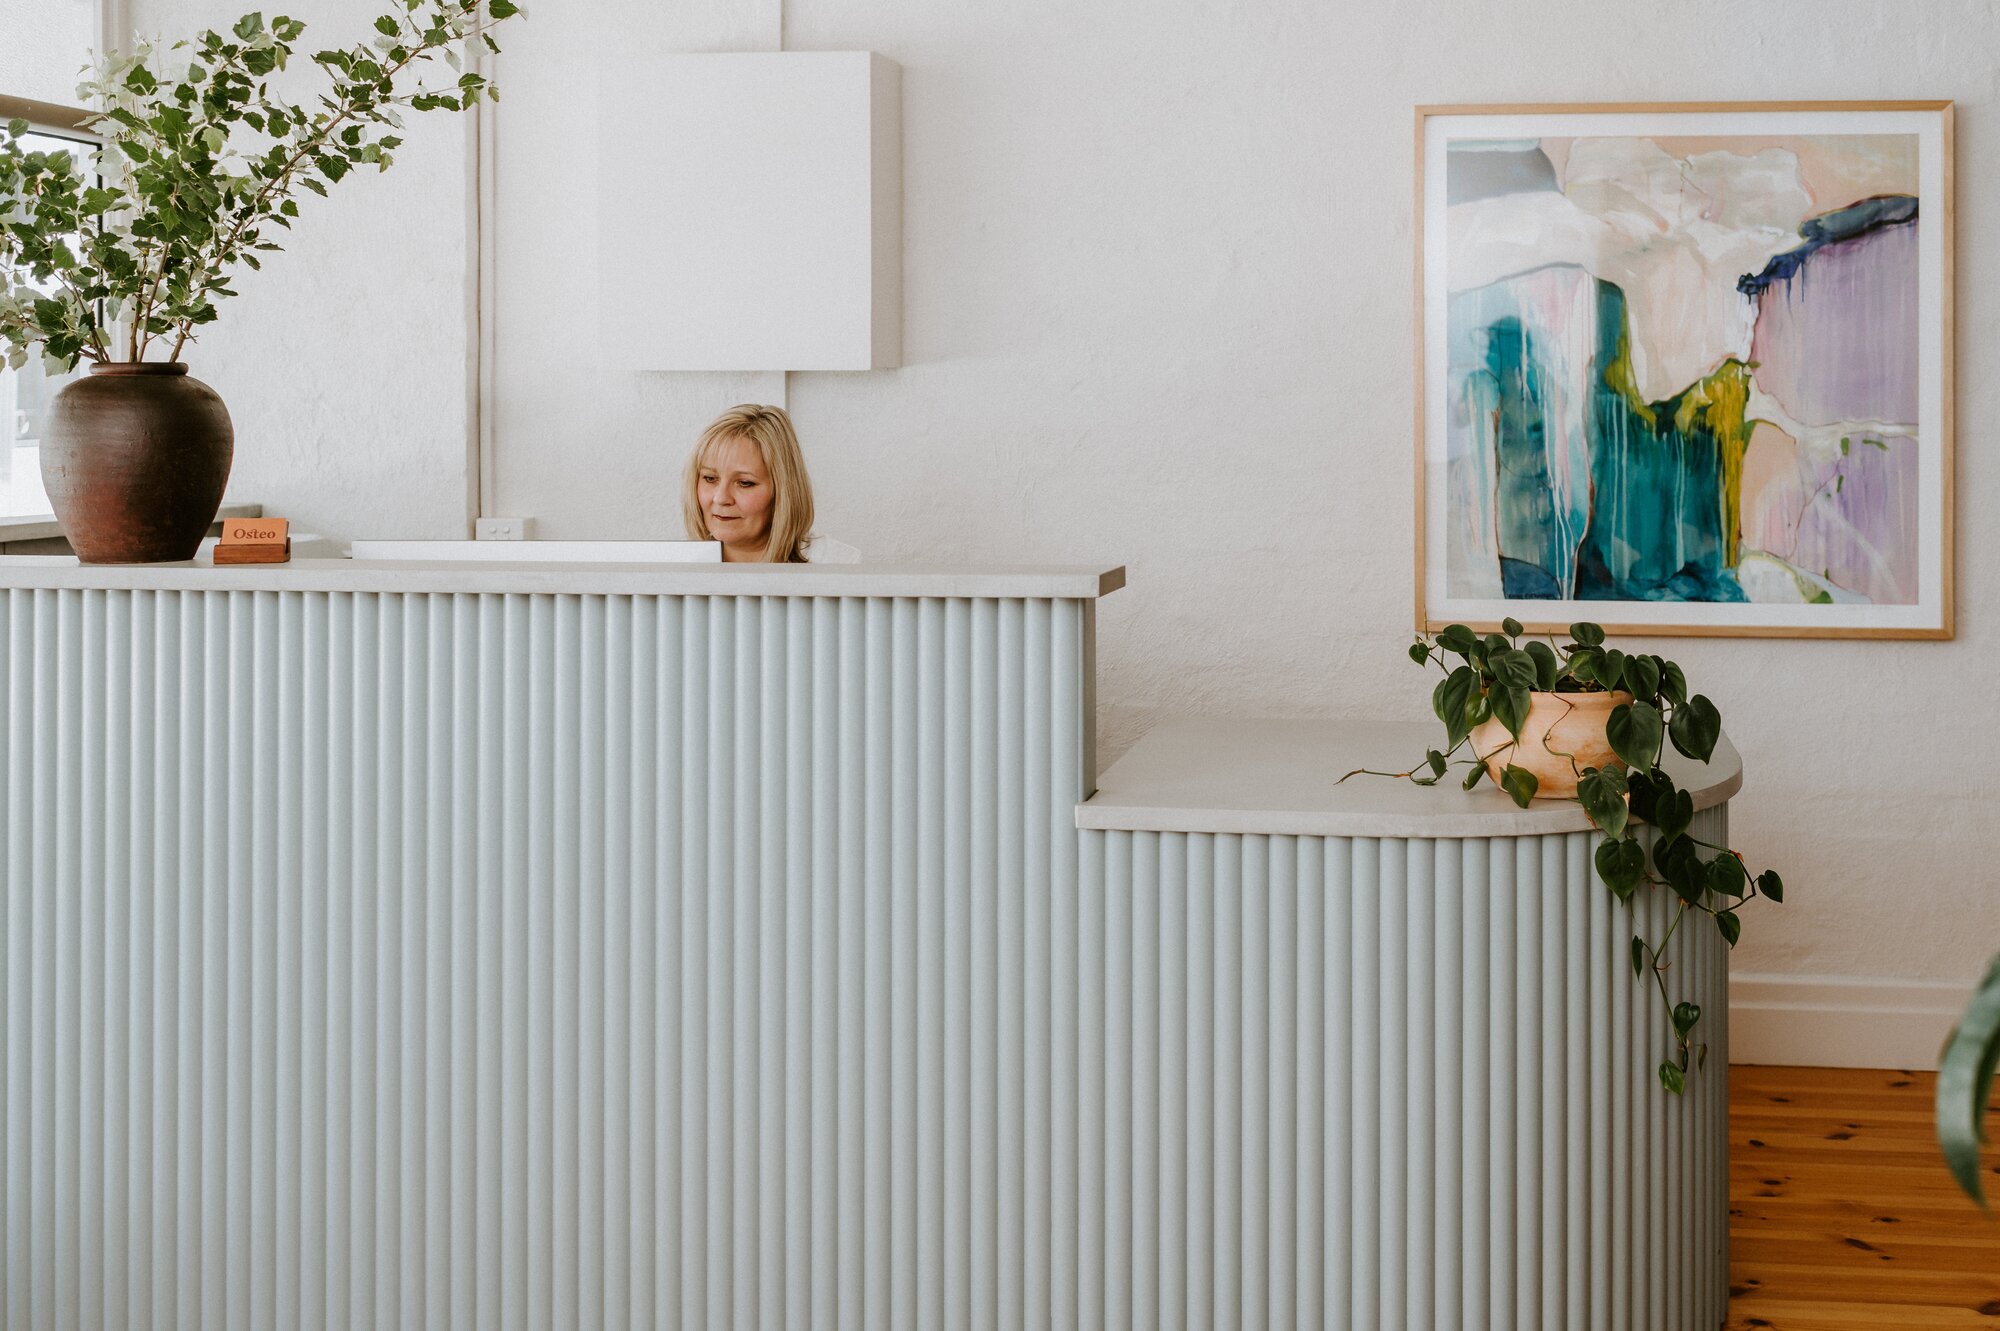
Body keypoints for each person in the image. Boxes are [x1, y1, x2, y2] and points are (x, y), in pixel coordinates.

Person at [682, 404, 818, 563]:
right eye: (710, 478)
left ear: (783, 491)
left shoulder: (841, 567)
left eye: (745, 483)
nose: (721, 498)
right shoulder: (672, 571)